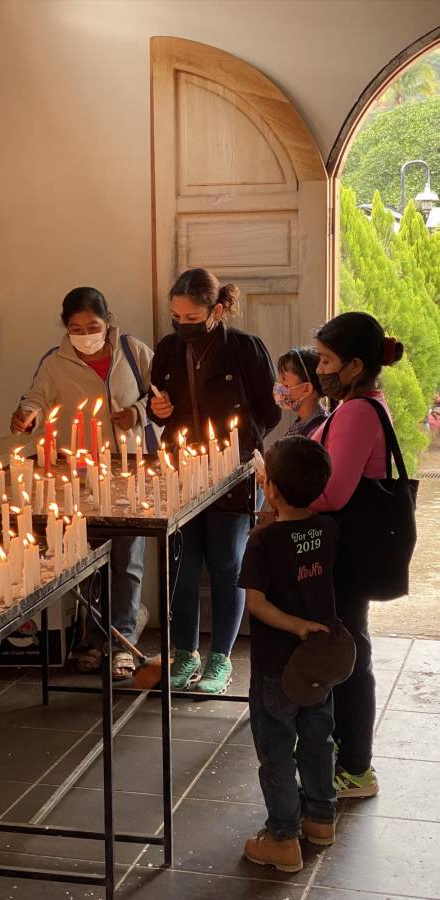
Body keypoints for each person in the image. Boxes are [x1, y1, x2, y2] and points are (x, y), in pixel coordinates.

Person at [11, 286, 159, 678]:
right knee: (87, 559)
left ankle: (123, 641)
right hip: (77, 476)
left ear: (108, 323)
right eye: (75, 327)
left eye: (92, 326)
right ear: (65, 327)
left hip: (128, 471)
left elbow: (161, 395)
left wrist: (137, 413)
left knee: (127, 561)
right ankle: (92, 639)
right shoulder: (55, 361)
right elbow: (36, 400)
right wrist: (27, 414)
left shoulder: (132, 350)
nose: (84, 334)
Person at [147, 267, 281, 694]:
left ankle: (220, 658)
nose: (182, 326)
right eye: (175, 316)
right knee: (181, 568)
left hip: (234, 474)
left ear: (217, 310)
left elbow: (270, 411)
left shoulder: (245, 349)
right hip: (181, 471)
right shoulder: (168, 349)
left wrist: (239, 447)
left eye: (191, 318)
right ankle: (185, 653)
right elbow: (156, 405)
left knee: (227, 564)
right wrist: (160, 412)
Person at [310, 311, 404, 798]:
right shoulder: (361, 403)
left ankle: (355, 767)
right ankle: (350, 758)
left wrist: (282, 488)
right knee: (350, 648)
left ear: (353, 366)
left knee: (349, 653)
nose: (318, 367)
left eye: (327, 360)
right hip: (348, 548)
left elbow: (332, 494)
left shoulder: (357, 411)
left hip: (346, 549)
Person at [239, 436, 339, 872]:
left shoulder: (263, 542)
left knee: (277, 749)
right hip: (320, 663)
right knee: (318, 739)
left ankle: (282, 837)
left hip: (277, 668)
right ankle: (320, 817)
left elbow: (255, 603)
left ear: (272, 488)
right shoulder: (328, 530)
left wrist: (294, 624)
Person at [274, 347, 327, 437]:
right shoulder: (302, 422)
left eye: (284, 379)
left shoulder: (318, 431)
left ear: (306, 389)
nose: (279, 386)